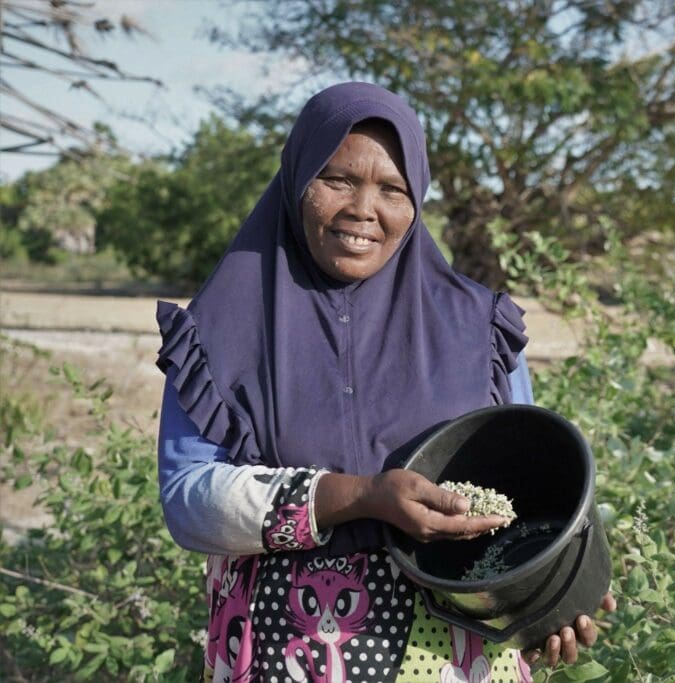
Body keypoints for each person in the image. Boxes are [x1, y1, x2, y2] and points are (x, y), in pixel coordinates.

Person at [156, 82, 614, 683]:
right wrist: (358, 495)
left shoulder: (478, 328)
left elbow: (527, 494)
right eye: (339, 180)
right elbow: (188, 500)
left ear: (417, 200)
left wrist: (550, 594)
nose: (363, 209)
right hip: (285, 653)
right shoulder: (219, 331)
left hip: (458, 657)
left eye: (393, 189)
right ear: (297, 181)